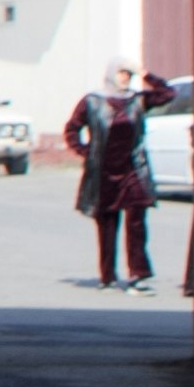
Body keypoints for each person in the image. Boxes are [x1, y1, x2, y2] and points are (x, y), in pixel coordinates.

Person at [63, 63, 159, 289]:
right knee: (107, 225)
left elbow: (167, 94)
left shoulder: (137, 100)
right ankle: (108, 275)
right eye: (121, 73)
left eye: (129, 74)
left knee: (136, 221)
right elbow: (72, 129)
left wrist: (147, 74)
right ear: (111, 75)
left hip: (133, 169)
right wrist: (86, 151)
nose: (125, 78)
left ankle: (138, 273)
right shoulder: (93, 101)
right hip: (104, 173)